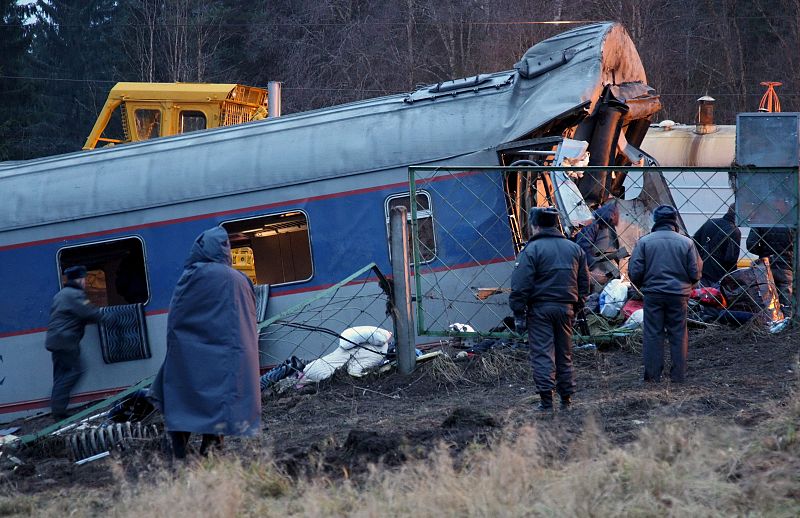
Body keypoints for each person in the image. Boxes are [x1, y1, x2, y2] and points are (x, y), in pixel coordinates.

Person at [149, 227, 261, 459]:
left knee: (181, 403)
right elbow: (249, 321)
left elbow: (177, 319)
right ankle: (211, 456)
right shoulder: (239, 279)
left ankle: (177, 456)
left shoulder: (190, 276)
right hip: (228, 356)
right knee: (219, 406)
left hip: (191, 358)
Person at [509, 207, 590, 412]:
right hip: (566, 309)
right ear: (555, 224)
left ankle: (546, 402)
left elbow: (520, 285)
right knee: (565, 353)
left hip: (540, 310)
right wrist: (578, 305)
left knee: (543, 354)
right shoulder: (574, 249)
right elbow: (584, 283)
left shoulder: (531, 250)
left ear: (535, 226)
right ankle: (566, 399)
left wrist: (519, 312)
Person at [628, 205, 702, 383]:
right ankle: (678, 376)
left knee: (653, 333)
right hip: (679, 296)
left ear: (656, 220)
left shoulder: (645, 242)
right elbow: (695, 273)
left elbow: (635, 271)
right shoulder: (687, 243)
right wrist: (685, 286)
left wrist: (645, 285)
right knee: (678, 333)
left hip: (653, 294)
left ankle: (653, 376)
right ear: (674, 220)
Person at [45, 265, 103, 419]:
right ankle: (58, 410)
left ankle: (57, 410)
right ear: (79, 279)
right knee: (76, 370)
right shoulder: (75, 295)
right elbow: (89, 312)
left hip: (54, 340)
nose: (85, 282)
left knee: (61, 374)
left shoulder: (61, 294)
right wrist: (109, 318)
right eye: (83, 278)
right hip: (66, 340)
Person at [575, 199, 624, 291]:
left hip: (602, 263)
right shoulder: (592, 224)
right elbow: (583, 246)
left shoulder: (605, 225)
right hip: (594, 266)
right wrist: (593, 267)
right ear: (611, 215)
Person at [746, 226, 794, 317]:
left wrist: (764, 253)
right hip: (786, 267)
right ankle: (787, 325)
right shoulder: (792, 220)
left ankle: (770, 324)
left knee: (767, 301)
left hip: (766, 267)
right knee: (787, 303)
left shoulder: (761, 221)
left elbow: (751, 244)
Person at [692, 204, 741, 286]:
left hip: (701, 272)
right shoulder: (734, 231)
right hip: (718, 277)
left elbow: (694, 243)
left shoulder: (710, 222)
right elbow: (730, 260)